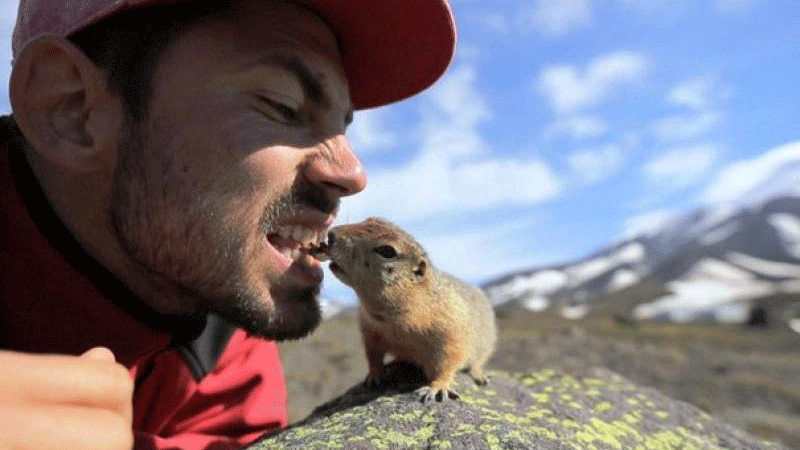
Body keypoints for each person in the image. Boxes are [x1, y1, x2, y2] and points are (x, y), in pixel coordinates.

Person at [0, 0, 456, 449]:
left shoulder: (223, 326)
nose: (353, 174)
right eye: (284, 106)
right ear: (70, 108)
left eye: (343, 127)